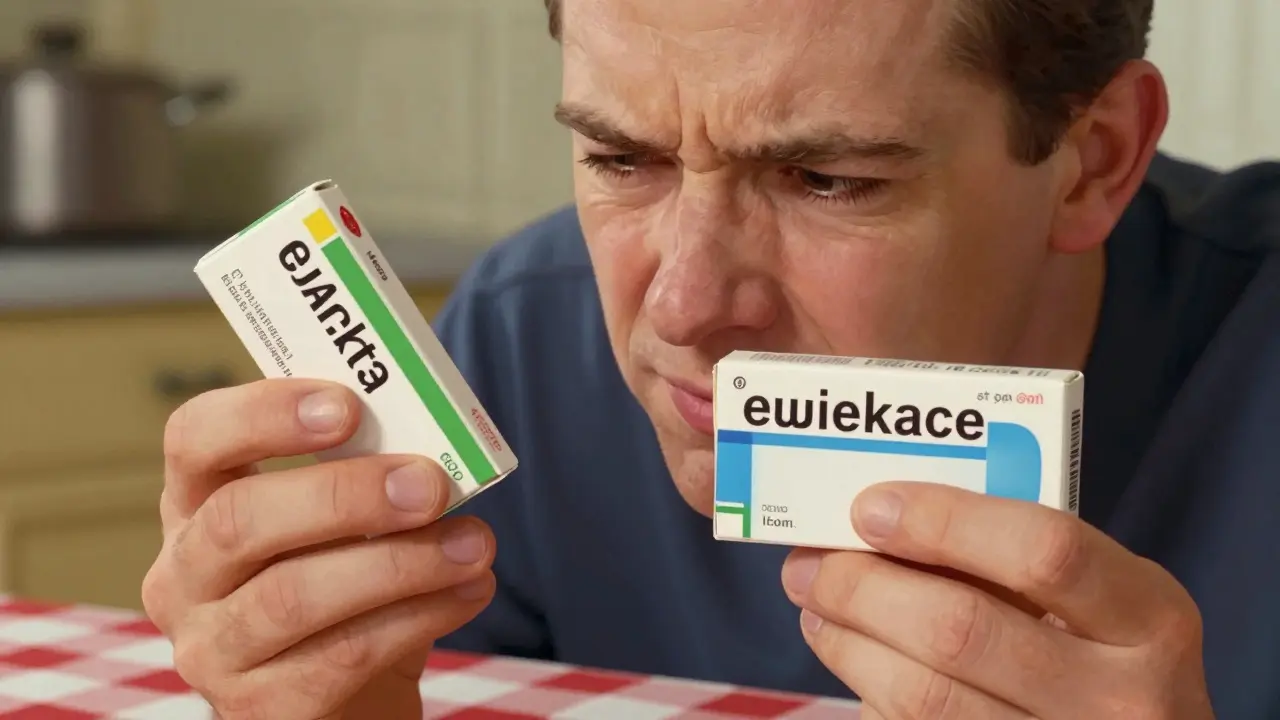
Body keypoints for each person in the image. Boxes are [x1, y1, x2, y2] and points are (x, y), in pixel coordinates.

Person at [141, 0, 1280, 718]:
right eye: (618, 157)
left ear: (1092, 161)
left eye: (828, 181)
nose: (682, 307)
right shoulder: (525, 339)